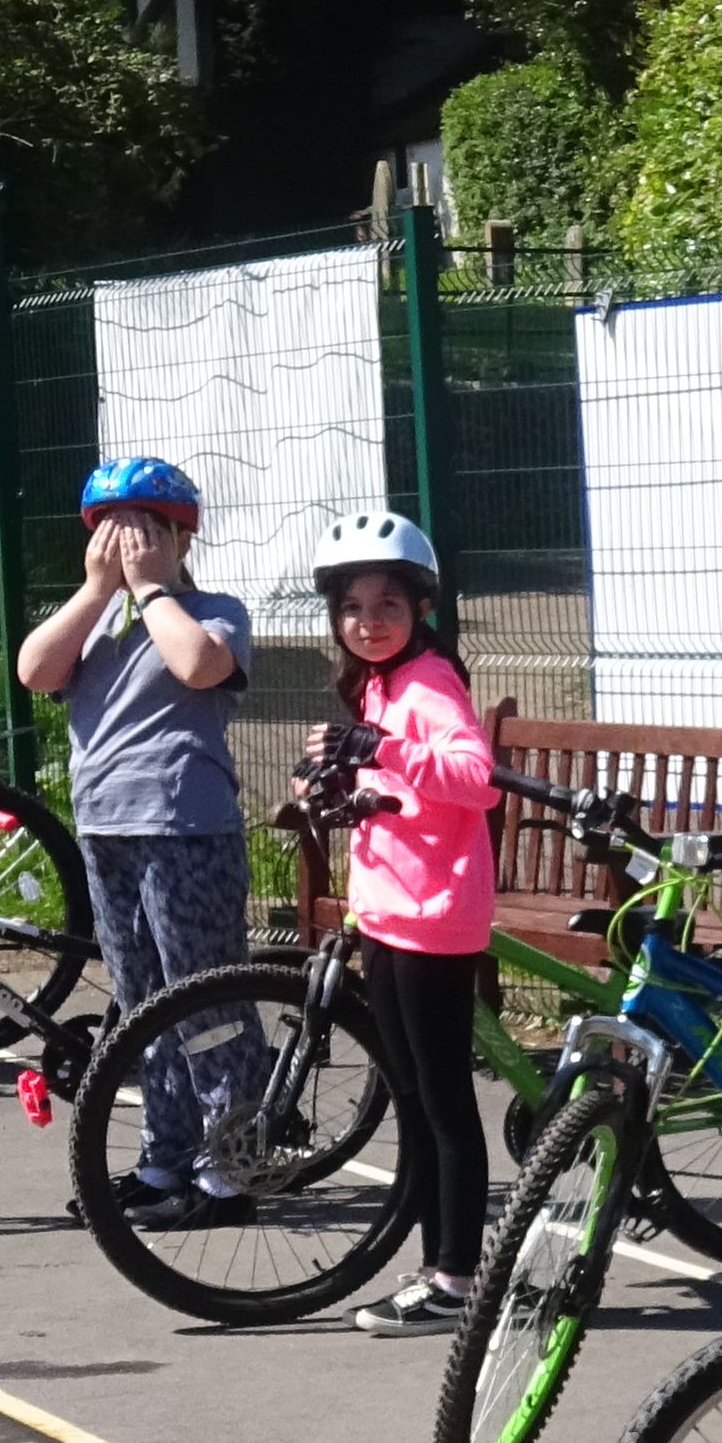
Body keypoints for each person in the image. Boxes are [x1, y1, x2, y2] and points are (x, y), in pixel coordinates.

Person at [15, 455, 256, 1225]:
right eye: (113, 534)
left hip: (185, 827)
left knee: (206, 1000)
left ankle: (232, 1165)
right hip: (106, 827)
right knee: (141, 1002)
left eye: (147, 532)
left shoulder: (213, 610)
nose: (127, 548)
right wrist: (96, 590)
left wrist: (152, 587)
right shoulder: (96, 627)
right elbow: (34, 670)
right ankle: (165, 1161)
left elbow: (197, 664)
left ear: (181, 540)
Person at [294, 511, 501, 1333]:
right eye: (352, 607)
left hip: (435, 917)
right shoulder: (378, 685)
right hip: (387, 912)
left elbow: (474, 779)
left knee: (444, 1102)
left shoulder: (428, 685)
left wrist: (379, 748)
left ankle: (456, 1281)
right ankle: (431, 1266)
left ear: (420, 608)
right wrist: (334, 782)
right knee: (412, 1098)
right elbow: (400, 795)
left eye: (387, 604)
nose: (368, 621)